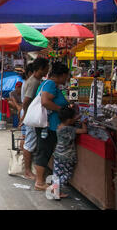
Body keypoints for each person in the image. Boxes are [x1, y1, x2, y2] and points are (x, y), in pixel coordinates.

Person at [34, 62, 70, 191]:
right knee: (44, 151)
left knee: (44, 150)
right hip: (48, 126)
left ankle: (40, 180)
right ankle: (39, 182)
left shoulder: (48, 83)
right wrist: (61, 110)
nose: (67, 79)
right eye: (66, 76)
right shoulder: (50, 84)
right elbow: (45, 102)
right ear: (61, 75)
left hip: (48, 125)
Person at [20, 58, 50, 180]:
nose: (48, 70)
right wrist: (25, 115)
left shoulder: (34, 80)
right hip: (31, 115)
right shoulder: (34, 82)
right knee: (30, 143)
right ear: (41, 69)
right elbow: (26, 101)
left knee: (30, 141)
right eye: (47, 67)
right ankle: (27, 171)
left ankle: (29, 169)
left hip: (30, 114)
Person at [51, 106, 87, 199]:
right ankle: (56, 190)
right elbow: (84, 131)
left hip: (57, 154)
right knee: (67, 174)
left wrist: (75, 118)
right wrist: (83, 123)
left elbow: (68, 121)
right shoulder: (70, 129)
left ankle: (55, 191)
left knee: (57, 174)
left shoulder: (59, 126)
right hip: (67, 157)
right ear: (69, 120)